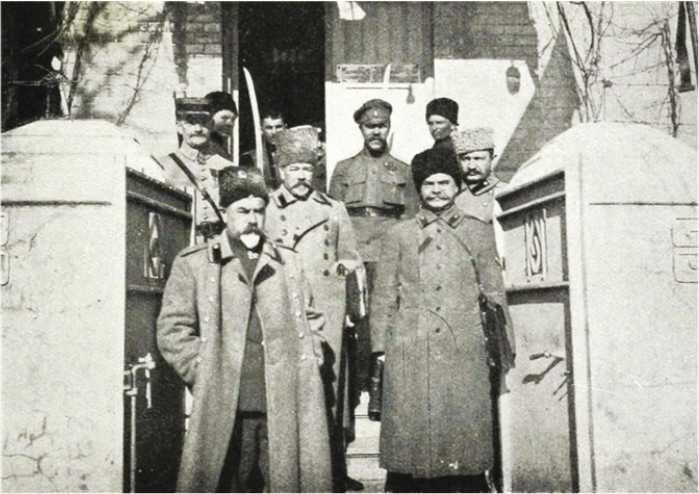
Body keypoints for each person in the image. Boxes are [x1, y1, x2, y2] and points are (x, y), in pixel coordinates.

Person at [157, 166, 332, 492]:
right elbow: (173, 329)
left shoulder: (287, 261)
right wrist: (203, 370)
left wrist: (311, 355)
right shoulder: (196, 263)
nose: (252, 219)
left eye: (258, 211)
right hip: (225, 404)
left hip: (281, 403)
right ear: (224, 212)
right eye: (242, 211)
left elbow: (311, 319)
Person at [370, 146, 514, 493]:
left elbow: (494, 292)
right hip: (410, 347)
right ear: (419, 188)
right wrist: (380, 348)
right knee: (412, 434)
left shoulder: (478, 231)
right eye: (429, 184)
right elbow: (384, 294)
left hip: (462, 347)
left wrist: (502, 346)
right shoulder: (399, 234)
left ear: (457, 185)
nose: (436, 190)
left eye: (444, 182)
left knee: (462, 433)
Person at [265, 126, 363, 491]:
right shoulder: (266, 209)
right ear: (281, 172)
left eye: (307, 168)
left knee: (329, 389)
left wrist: (342, 275)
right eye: (294, 169)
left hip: (326, 308)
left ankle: (332, 472)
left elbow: (350, 257)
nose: (301, 176)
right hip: (282, 306)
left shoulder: (334, 209)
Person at [156, 97, 234, 243]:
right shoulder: (163, 166)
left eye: (204, 123)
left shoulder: (228, 167)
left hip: (219, 245)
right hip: (179, 243)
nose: (198, 129)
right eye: (191, 123)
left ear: (211, 125)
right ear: (179, 127)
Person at [452, 127, 506, 224]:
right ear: (458, 162)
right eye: (465, 159)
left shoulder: (505, 191)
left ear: (492, 160)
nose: (471, 166)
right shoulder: (451, 195)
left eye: (478, 159)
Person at [240, 108, 287, 189]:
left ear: (285, 128)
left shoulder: (296, 155)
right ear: (261, 130)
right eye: (269, 128)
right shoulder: (250, 158)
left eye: (278, 127)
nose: (274, 132)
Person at [205, 91, 238, 161]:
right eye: (224, 118)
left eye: (233, 119)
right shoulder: (204, 151)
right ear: (208, 118)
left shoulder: (222, 151)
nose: (230, 123)